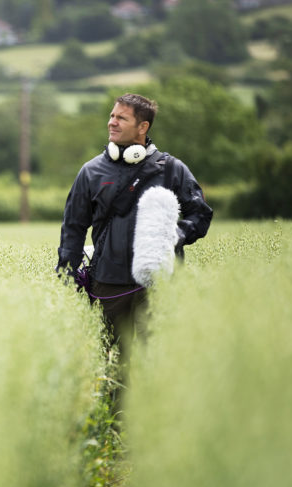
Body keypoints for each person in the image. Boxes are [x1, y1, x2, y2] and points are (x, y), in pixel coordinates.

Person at [56, 93, 213, 420]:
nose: (112, 122)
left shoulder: (172, 170)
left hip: (157, 285)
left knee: (156, 355)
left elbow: (201, 215)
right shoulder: (90, 172)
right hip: (107, 285)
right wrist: (65, 274)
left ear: (143, 127)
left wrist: (177, 234)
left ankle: (158, 425)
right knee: (114, 362)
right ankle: (117, 430)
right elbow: (73, 227)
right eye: (112, 116)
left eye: (121, 118)